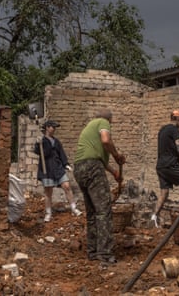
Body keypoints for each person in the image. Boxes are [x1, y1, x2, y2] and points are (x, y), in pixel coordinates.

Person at [73, 108, 126, 265]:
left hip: (80, 168)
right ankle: (105, 254)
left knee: (92, 212)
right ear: (109, 120)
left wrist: (114, 172)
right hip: (92, 167)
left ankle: (93, 251)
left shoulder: (89, 128)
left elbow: (96, 157)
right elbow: (106, 140)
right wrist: (117, 156)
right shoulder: (103, 123)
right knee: (103, 211)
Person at [33, 120, 82, 222]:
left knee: (67, 186)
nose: (54, 129)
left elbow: (61, 154)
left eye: (55, 127)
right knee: (48, 192)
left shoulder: (57, 141)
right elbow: (38, 152)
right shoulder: (42, 141)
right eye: (53, 127)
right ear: (47, 127)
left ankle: (73, 208)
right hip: (47, 169)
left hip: (58, 167)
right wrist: (38, 144)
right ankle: (48, 213)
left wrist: (66, 164)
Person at [151, 110, 179, 228]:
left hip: (160, 166)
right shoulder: (175, 130)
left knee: (164, 192)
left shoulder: (162, 130)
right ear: (178, 119)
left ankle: (154, 216)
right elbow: (178, 146)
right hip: (170, 165)